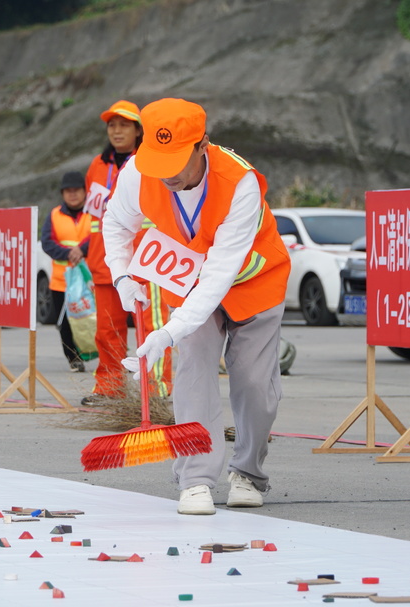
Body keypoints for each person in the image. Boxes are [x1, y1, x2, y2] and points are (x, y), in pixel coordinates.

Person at [101, 98, 290, 515]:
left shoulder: (240, 183)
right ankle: (196, 479)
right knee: (192, 374)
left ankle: (248, 473)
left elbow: (220, 273)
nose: (165, 173)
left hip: (253, 281)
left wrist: (169, 331)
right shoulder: (138, 172)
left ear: (202, 146)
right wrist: (121, 275)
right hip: (188, 281)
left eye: (175, 161)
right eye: (158, 159)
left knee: (255, 385)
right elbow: (115, 223)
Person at [83, 100, 173, 406]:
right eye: (112, 125)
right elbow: (95, 217)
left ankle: (159, 390)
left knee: (152, 329)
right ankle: (108, 388)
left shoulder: (150, 162)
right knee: (107, 331)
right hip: (103, 260)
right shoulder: (97, 165)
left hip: (146, 261)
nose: (117, 131)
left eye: (124, 125)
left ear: (138, 130)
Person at [41, 171, 92, 372]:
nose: (72, 195)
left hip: (90, 280)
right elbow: (47, 243)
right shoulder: (54, 215)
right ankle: (73, 358)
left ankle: (105, 356)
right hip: (61, 280)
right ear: (62, 194)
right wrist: (68, 253)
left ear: (84, 192)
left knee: (94, 319)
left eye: (76, 190)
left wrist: (83, 250)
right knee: (66, 324)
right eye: (68, 191)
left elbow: (100, 236)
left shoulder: (94, 214)